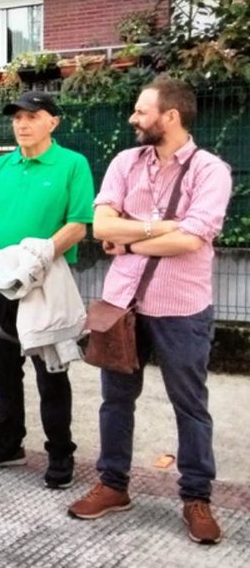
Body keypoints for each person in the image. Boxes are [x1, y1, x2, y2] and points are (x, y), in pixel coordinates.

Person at [67, 77, 231, 545]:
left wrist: (130, 236)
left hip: (183, 307)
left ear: (171, 117)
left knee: (190, 405)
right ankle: (113, 485)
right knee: (115, 399)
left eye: (141, 112)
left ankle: (196, 497)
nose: (132, 119)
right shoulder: (125, 162)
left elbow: (193, 239)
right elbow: (101, 224)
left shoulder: (210, 170)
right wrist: (160, 227)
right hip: (122, 304)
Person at [0, 90, 94, 489]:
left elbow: (78, 224)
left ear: (53, 121)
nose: (22, 124)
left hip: (46, 284)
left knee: (51, 371)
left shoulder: (73, 164)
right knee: (2, 370)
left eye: (32, 116)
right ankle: (9, 442)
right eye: (17, 118)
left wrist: (34, 262)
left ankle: (60, 452)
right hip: (1, 285)